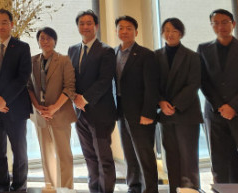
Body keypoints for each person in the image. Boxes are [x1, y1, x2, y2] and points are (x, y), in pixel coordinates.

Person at [198, 9, 238, 185]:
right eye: (216, 23)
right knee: (219, 163)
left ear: (233, 24)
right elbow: (203, 81)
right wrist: (220, 106)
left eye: (225, 22)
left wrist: (233, 106)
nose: (220, 26)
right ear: (211, 26)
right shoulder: (203, 49)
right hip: (215, 114)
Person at [0, 8, 31, 192]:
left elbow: (23, 77)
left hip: (15, 109)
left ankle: (19, 187)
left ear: (11, 24)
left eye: (4, 22)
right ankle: (2, 185)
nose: (0, 26)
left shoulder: (22, 47)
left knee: (19, 152)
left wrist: (5, 99)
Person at [68, 10, 117, 193]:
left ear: (96, 26)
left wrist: (84, 98)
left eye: (89, 23)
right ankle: (94, 189)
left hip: (101, 113)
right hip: (80, 114)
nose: (85, 27)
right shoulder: (72, 50)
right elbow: (70, 79)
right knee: (89, 156)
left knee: (103, 158)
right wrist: (74, 97)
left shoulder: (106, 51)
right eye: (81, 23)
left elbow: (105, 81)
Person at [155, 17, 202, 193]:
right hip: (165, 114)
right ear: (162, 33)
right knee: (171, 156)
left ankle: (191, 189)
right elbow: (152, 83)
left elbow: (193, 84)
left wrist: (173, 105)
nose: (170, 34)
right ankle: (175, 189)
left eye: (174, 31)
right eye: (167, 30)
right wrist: (161, 102)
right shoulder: (155, 56)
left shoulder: (192, 56)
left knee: (188, 156)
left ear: (181, 33)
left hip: (186, 113)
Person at [114, 15, 159, 193]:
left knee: (144, 155)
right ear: (116, 31)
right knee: (129, 153)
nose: (124, 31)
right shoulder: (113, 53)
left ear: (136, 32)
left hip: (141, 113)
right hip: (121, 111)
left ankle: (150, 189)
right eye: (121, 28)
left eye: (129, 28)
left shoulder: (146, 55)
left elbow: (152, 87)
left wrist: (148, 113)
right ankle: (134, 187)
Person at [27, 27, 76, 188]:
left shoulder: (64, 60)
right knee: (46, 157)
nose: (45, 41)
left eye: (49, 38)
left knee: (64, 156)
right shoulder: (32, 61)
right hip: (40, 115)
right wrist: (37, 107)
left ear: (55, 41)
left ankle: (66, 189)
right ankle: (51, 188)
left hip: (59, 114)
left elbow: (69, 88)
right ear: (38, 42)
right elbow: (29, 87)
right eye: (42, 38)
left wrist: (53, 108)